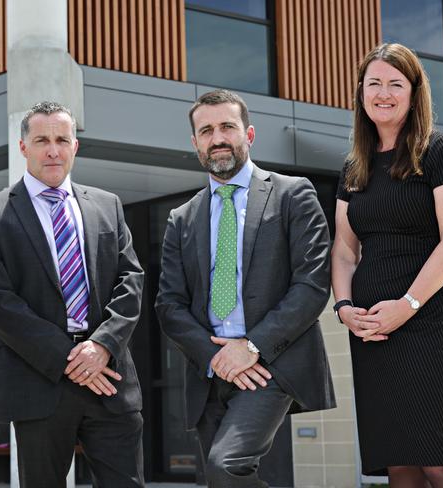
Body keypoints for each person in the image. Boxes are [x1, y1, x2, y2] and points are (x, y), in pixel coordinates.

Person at [155, 89, 335, 487]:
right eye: (206, 130)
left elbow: (311, 283)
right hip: (210, 370)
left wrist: (250, 347)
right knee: (219, 479)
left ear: (248, 135)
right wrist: (215, 356)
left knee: (226, 464)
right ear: (195, 142)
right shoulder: (182, 218)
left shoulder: (292, 194)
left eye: (227, 127)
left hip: (270, 364)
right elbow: (169, 304)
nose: (217, 137)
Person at [0, 101, 145, 488]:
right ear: (23, 147)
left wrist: (100, 347)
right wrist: (72, 358)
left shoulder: (108, 205)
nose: (53, 149)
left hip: (108, 377)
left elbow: (131, 280)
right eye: (42, 139)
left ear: (75, 146)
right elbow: (0, 304)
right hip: (37, 380)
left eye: (62, 139)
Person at [331, 43, 443, 487]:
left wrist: (406, 305)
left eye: (395, 83)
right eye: (374, 84)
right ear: (361, 94)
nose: (383, 93)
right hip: (370, 329)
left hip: (426, 320)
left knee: (437, 458)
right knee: (396, 461)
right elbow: (345, 250)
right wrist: (344, 307)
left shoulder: (441, 151)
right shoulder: (354, 167)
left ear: (413, 92)